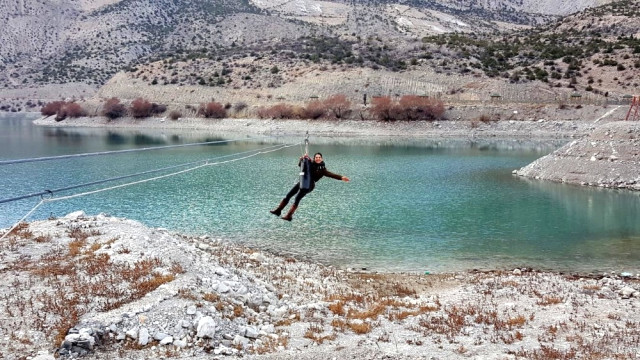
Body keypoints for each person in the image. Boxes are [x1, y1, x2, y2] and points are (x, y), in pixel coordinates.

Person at [270, 152, 350, 221]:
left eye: (319, 157)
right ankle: (278, 211)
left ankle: (289, 216)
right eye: (316, 157)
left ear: (321, 159)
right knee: (288, 195)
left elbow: (331, 175)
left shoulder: (323, 170)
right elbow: (300, 166)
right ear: (314, 158)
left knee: (297, 198)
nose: (318, 158)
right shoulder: (310, 163)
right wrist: (302, 159)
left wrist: (341, 177)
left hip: (309, 185)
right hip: (302, 181)